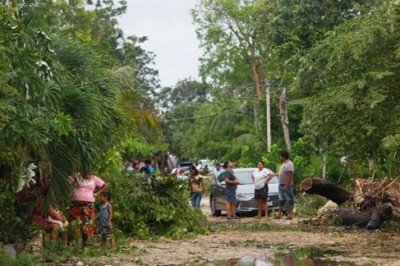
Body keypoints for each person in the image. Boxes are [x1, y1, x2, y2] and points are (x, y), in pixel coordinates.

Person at [68, 170, 108, 246]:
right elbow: (66, 182)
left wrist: (97, 193)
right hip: (76, 203)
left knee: (87, 224)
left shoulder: (94, 178)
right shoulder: (77, 175)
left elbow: (105, 185)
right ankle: (70, 243)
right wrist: (70, 191)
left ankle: (84, 244)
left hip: (88, 204)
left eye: (90, 172)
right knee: (72, 223)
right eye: (87, 172)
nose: (89, 174)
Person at [268, 151, 295, 219]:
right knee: (281, 199)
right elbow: (281, 174)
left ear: (283, 157)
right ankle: (279, 214)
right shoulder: (284, 164)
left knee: (290, 199)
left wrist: (287, 185)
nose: (280, 157)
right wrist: (273, 174)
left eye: (280, 156)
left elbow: (290, 176)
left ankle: (290, 215)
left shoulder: (289, 164)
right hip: (281, 185)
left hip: (287, 186)